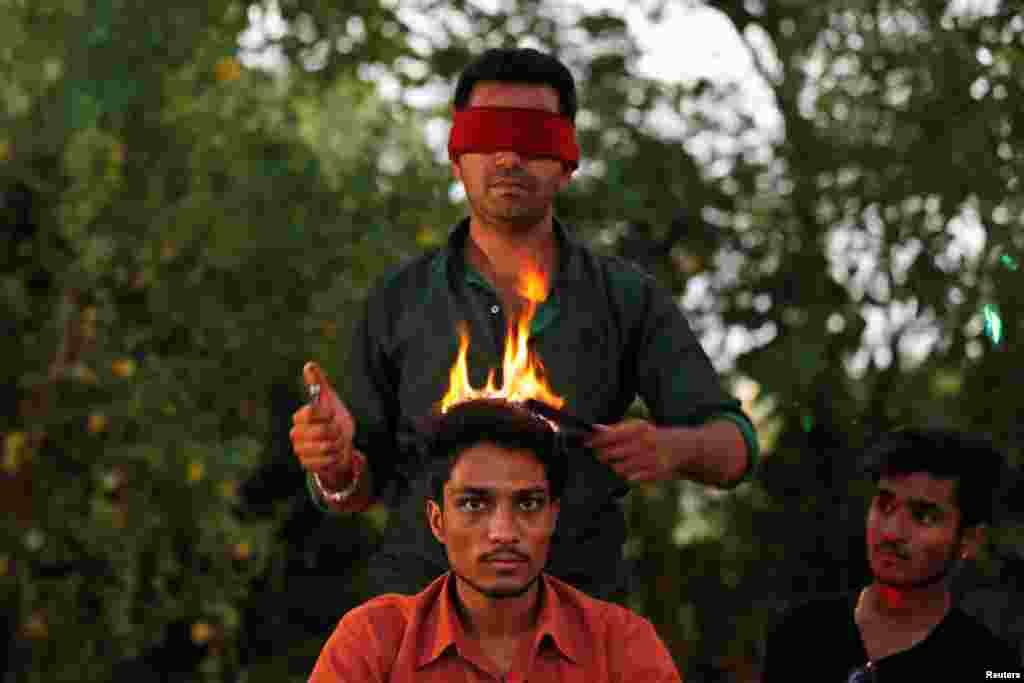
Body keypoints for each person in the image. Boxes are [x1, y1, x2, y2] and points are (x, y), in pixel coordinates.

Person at [289, 47, 759, 601]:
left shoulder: (625, 298)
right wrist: (336, 466)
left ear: (567, 161)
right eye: (488, 136)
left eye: (534, 138)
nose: (509, 157)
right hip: (421, 621)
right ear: (456, 156)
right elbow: (356, 487)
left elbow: (737, 447)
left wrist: (672, 448)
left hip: (580, 621)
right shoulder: (399, 301)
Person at [308, 398, 683, 682]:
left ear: (553, 515)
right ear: (437, 521)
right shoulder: (374, 641)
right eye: (473, 503)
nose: (503, 531)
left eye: (528, 503)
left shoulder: (620, 645)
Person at [761, 427, 1022, 682]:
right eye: (884, 505)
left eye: (924, 516)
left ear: (969, 540)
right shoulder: (801, 632)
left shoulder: (993, 666)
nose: (891, 532)